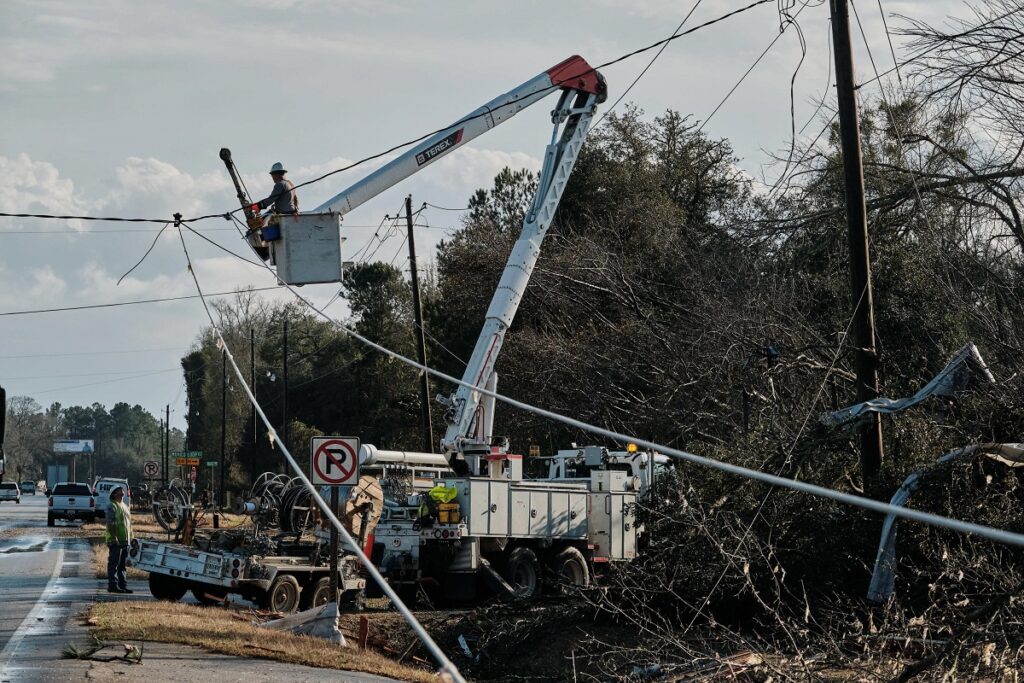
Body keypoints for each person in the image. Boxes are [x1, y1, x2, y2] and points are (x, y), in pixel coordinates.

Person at [105, 485, 134, 594]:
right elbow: (110, 523)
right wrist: (113, 537)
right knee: (114, 563)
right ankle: (113, 585)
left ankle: (123, 585)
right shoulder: (112, 506)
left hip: (125, 540)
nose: (122, 491)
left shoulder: (125, 506)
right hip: (115, 540)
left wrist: (131, 538)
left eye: (122, 490)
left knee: (123, 565)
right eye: (119, 490)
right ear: (114, 494)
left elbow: (129, 524)